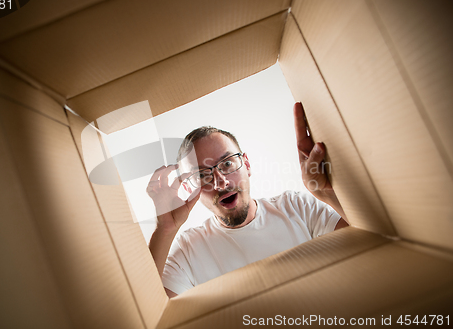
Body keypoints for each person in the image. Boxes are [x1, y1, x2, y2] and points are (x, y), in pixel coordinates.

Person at [147, 102, 349, 298]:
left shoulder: (296, 207)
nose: (221, 183)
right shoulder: (188, 250)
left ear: (247, 164)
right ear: (191, 189)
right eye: (202, 175)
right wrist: (164, 229)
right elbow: (147, 314)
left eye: (227, 163)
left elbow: (371, 240)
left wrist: (327, 194)